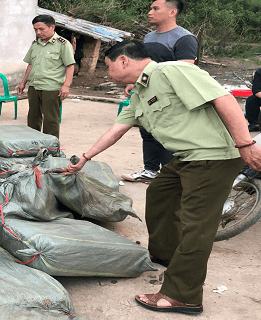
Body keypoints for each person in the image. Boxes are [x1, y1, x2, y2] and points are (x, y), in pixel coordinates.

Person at [67, 40, 261, 315]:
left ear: (124, 61)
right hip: (186, 157)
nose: (108, 74)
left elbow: (224, 99)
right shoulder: (138, 95)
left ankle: (183, 295)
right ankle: (167, 255)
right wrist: (85, 158)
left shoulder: (172, 72)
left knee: (197, 226)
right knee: (159, 193)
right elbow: (117, 129)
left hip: (213, 156)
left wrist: (245, 144)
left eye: (109, 67)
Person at [121, 0, 199, 183]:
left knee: (167, 134)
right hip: (147, 93)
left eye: (155, 8)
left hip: (170, 97)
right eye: (150, 8)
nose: (150, 12)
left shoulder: (184, 38)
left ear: (172, 11)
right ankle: (150, 170)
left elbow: (185, 71)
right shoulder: (149, 37)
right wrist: (135, 82)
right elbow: (144, 66)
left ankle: (169, 175)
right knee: (147, 131)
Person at [16, 15, 75, 139]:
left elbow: (70, 66)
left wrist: (66, 86)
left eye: (41, 29)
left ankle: (51, 148)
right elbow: (30, 64)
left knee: (50, 119)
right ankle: (33, 144)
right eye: (35, 29)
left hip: (51, 88)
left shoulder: (63, 44)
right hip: (34, 86)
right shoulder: (35, 44)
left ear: (52, 27)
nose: (38, 32)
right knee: (33, 117)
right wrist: (23, 82)